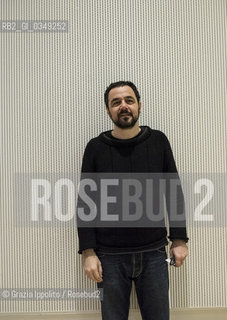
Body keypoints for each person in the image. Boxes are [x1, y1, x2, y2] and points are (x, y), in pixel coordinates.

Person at [77, 81, 189, 320]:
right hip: (109, 258)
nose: (123, 106)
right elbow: (86, 204)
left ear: (140, 104)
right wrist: (88, 252)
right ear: (108, 111)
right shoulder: (95, 148)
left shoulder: (158, 141)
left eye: (129, 100)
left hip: (154, 254)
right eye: (115, 102)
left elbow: (174, 192)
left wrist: (179, 239)